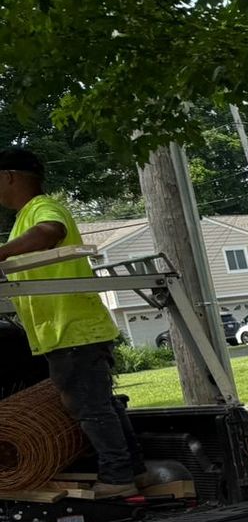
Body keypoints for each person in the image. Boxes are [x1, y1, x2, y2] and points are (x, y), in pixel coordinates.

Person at [0, 146, 145, 496]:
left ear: (8, 177)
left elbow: (51, 231)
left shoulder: (41, 209)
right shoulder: (23, 218)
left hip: (72, 330)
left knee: (88, 406)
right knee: (99, 403)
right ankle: (134, 471)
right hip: (70, 331)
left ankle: (118, 476)